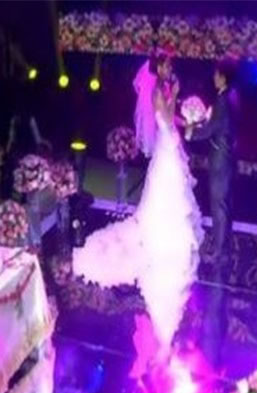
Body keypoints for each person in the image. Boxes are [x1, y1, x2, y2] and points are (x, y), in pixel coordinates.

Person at [72, 54, 203, 363]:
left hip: (171, 142)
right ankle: (162, 231)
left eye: (171, 65)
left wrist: (188, 120)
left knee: (174, 189)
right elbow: (164, 118)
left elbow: (172, 119)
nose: (170, 68)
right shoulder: (158, 90)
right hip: (166, 144)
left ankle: (169, 230)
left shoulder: (165, 87)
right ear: (158, 68)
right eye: (167, 65)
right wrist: (176, 100)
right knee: (167, 187)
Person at [185, 59, 239, 370]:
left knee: (219, 206)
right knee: (223, 207)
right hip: (225, 156)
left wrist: (192, 131)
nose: (213, 77)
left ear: (222, 77)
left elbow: (213, 129)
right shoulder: (230, 97)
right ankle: (223, 246)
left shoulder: (223, 99)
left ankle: (220, 250)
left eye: (216, 74)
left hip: (221, 158)